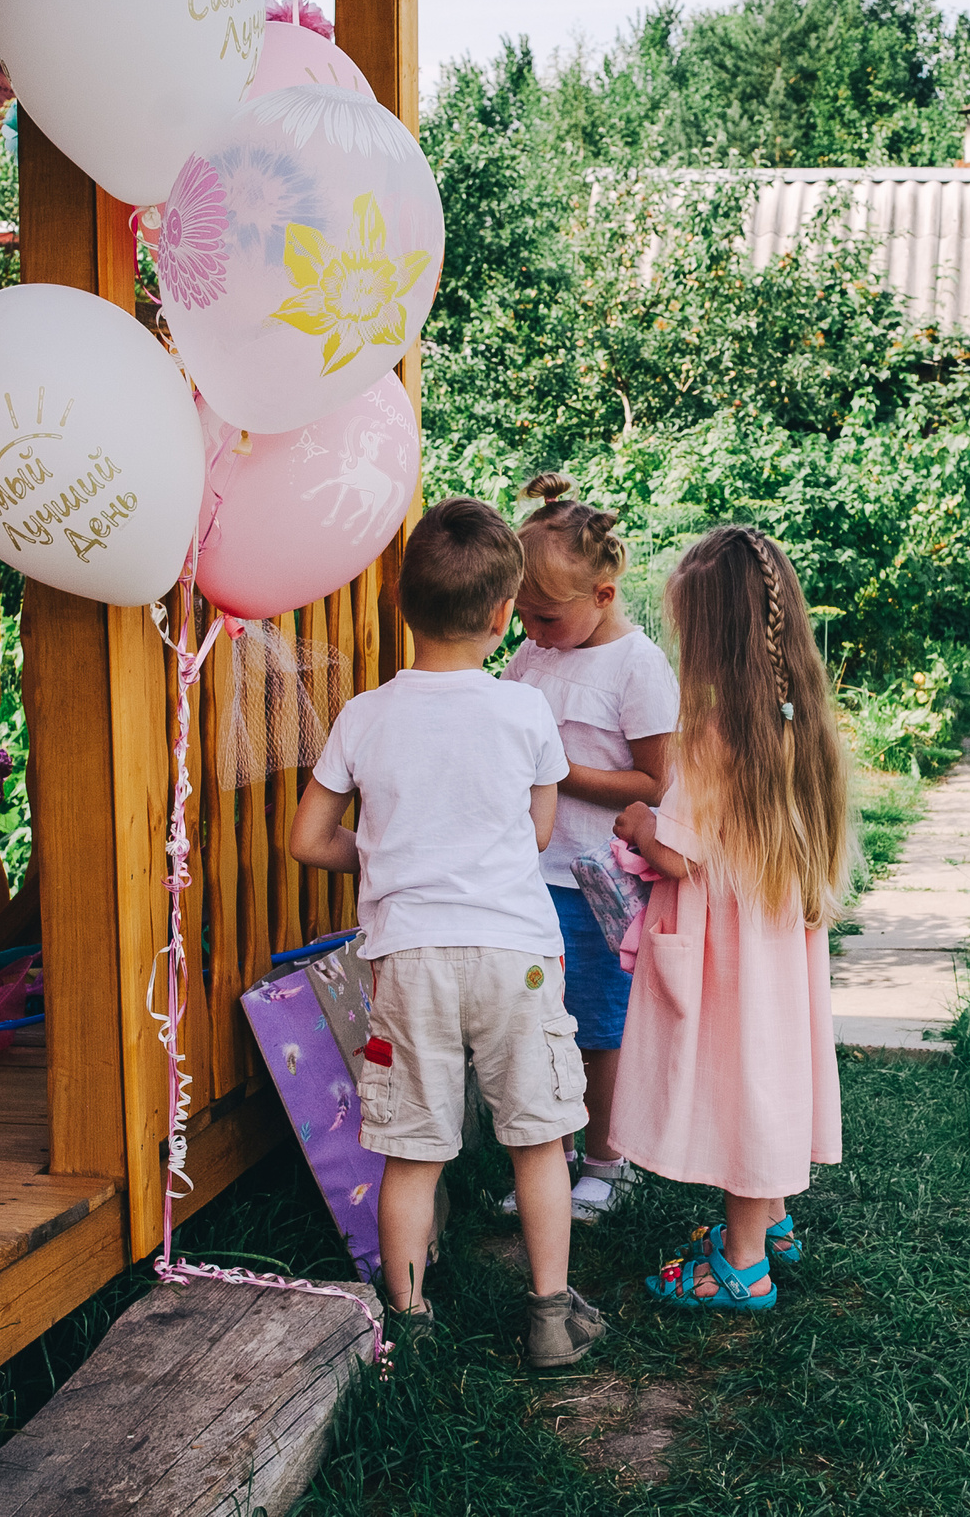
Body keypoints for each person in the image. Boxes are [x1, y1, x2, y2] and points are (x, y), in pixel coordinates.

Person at [289, 498, 606, 1368]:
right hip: (516, 956)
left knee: (413, 1149)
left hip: (408, 960)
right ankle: (548, 1314)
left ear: (403, 604)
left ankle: (410, 1318)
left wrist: (381, 854)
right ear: (505, 614)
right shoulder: (524, 714)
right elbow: (537, 833)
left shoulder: (364, 715)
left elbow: (308, 839)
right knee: (539, 1137)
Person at [611, 525, 847, 1311]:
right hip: (778, 950)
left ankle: (744, 1267)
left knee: (744, 1089)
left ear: (710, 639)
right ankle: (772, 1223)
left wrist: (642, 820)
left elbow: (679, 851)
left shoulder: (716, 737)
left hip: (729, 960)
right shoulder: (798, 719)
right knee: (770, 1074)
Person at [497, 473, 676, 1223]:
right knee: (539, 1023)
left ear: (602, 594)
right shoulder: (532, 659)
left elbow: (656, 782)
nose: (531, 631)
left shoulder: (636, 666)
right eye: (523, 617)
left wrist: (561, 772)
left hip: (598, 884)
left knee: (600, 1028)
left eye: (544, 616)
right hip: (525, 875)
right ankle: (553, 1155)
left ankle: (607, 1159)